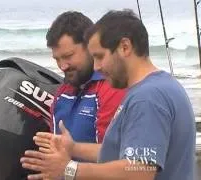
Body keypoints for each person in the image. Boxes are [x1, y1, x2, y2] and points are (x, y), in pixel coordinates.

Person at [21, 9, 196, 180]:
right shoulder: (161, 85)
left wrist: (69, 170)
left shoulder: (147, 98)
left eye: (99, 56)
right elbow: (123, 153)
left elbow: (140, 170)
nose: (96, 67)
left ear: (125, 47)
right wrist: (73, 148)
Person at [46, 11, 125, 145]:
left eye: (68, 56)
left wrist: (68, 166)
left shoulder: (112, 87)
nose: (62, 66)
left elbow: (112, 153)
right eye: (57, 59)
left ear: (90, 46)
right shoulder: (62, 93)